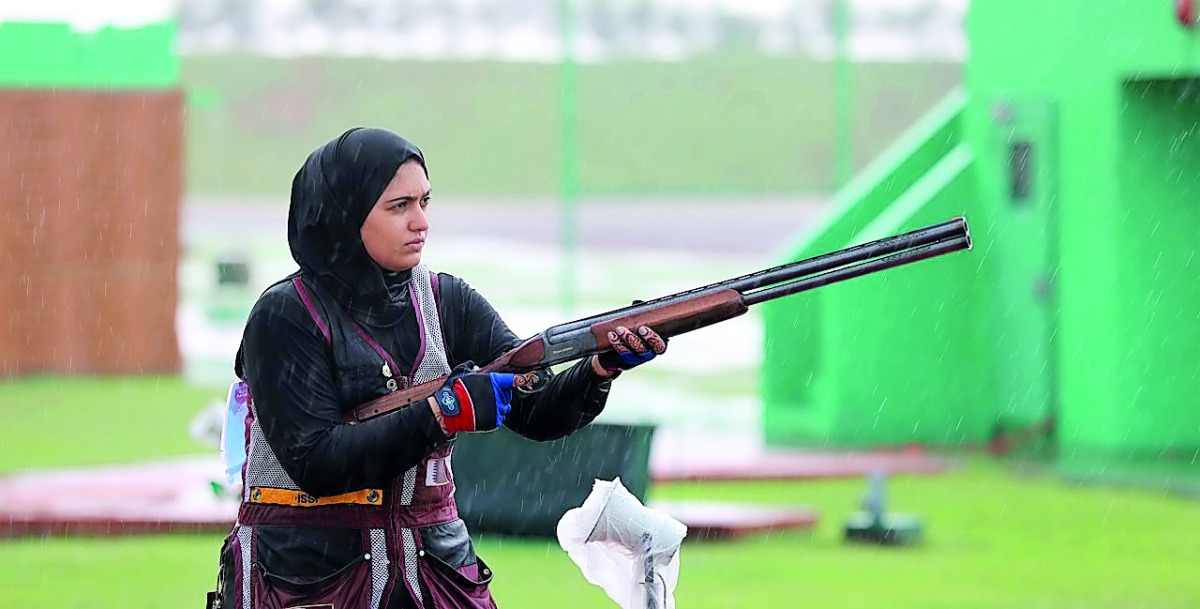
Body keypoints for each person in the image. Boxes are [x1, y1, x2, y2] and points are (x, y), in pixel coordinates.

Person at [208, 127, 667, 609]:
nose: (421, 222)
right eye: (399, 206)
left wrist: (598, 368)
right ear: (346, 215)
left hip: (438, 578)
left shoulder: (449, 300)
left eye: (425, 201)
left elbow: (537, 410)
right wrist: (443, 411)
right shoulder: (285, 315)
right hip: (307, 585)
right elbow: (317, 462)